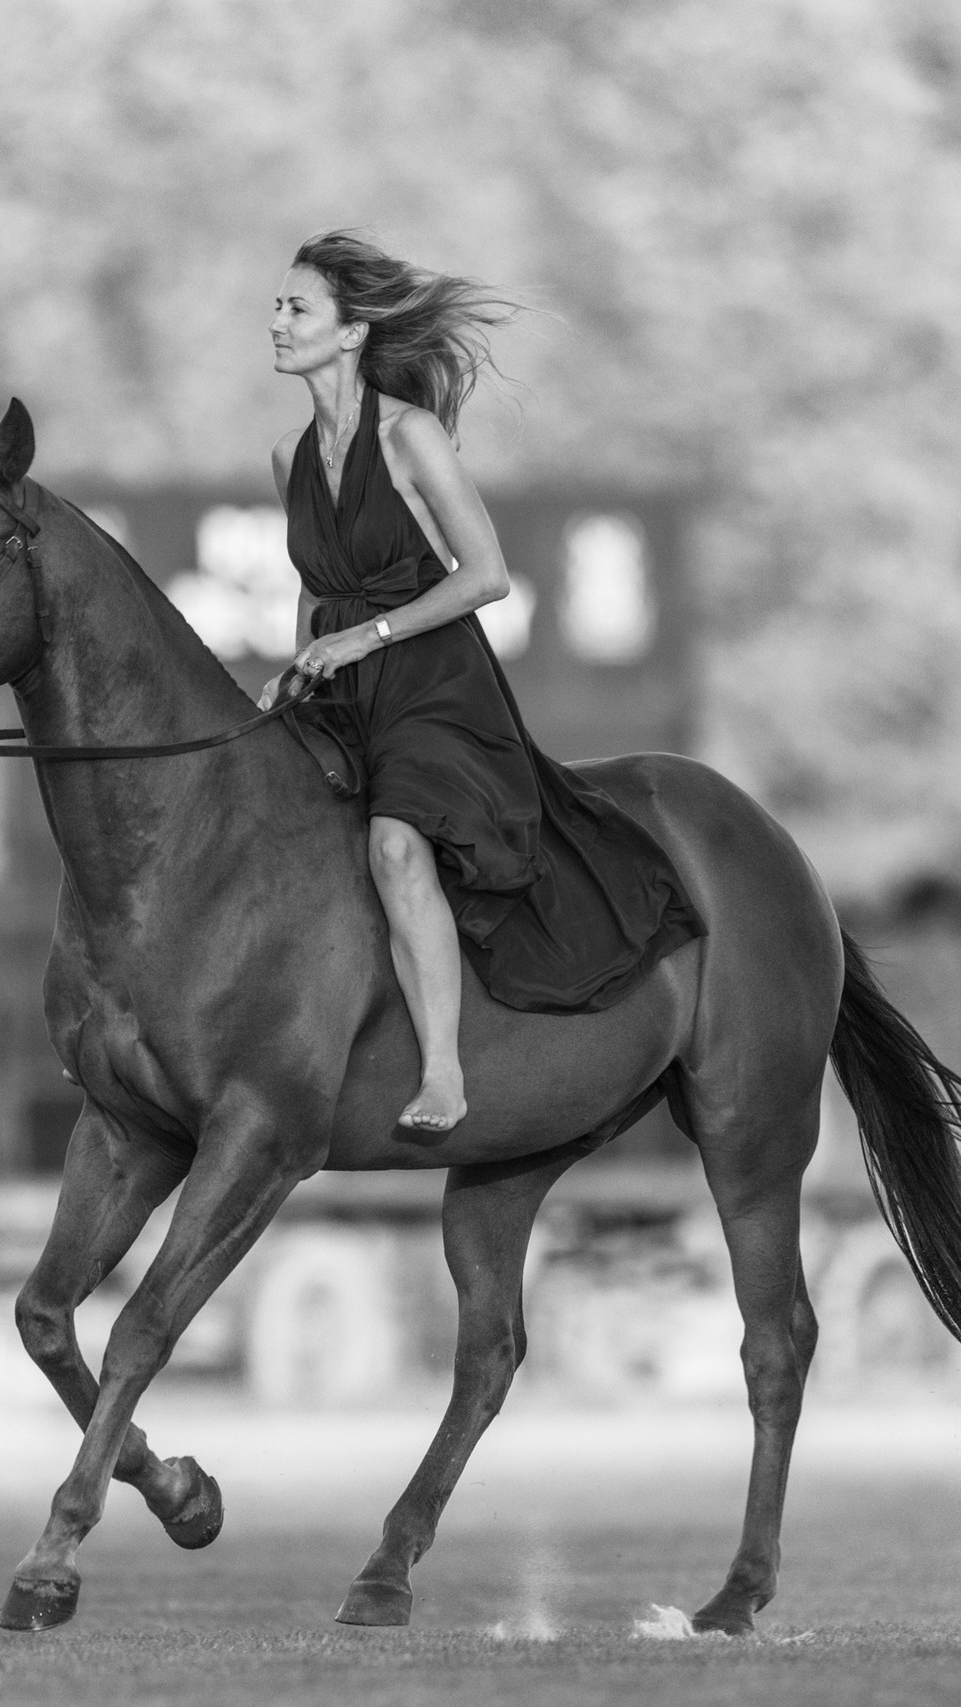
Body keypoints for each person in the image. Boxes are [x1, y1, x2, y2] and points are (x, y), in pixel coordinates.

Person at [259, 230, 703, 1135]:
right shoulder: (287, 459)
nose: (276, 321)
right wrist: (296, 666)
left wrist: (366, 637)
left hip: (436, 685)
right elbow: (320, 586)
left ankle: (443, 1074)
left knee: (393, 845)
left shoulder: (410, 434)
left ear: (352, 334)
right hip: (344, 689)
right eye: (277, 305)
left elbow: (486, 575)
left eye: (296, 307)